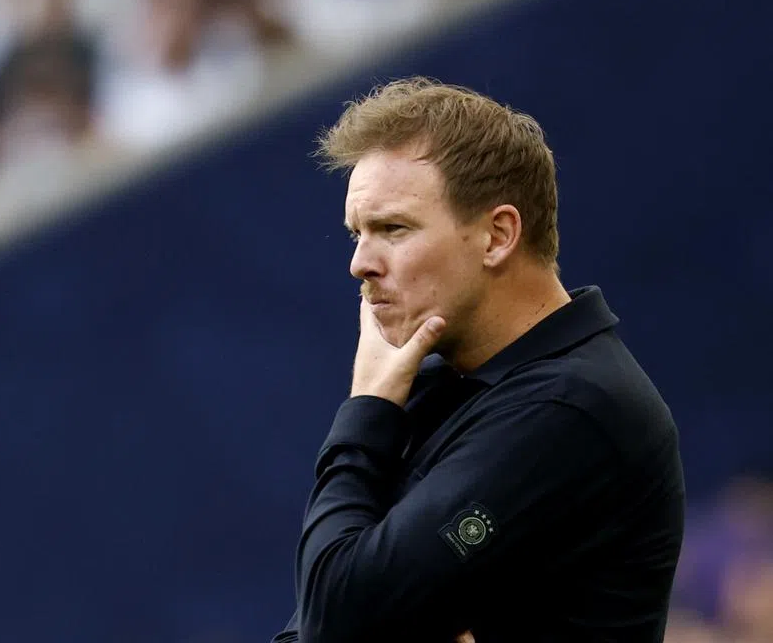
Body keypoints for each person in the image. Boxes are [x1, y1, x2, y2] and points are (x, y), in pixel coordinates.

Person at [270, 78, 685, 642]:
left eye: (392, 228)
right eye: (355, 234)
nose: (360, 263)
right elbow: (320, 619)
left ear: (497, 235)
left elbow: (338, 621)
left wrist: (365, 410)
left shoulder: (575, 406)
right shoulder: (440, 382)